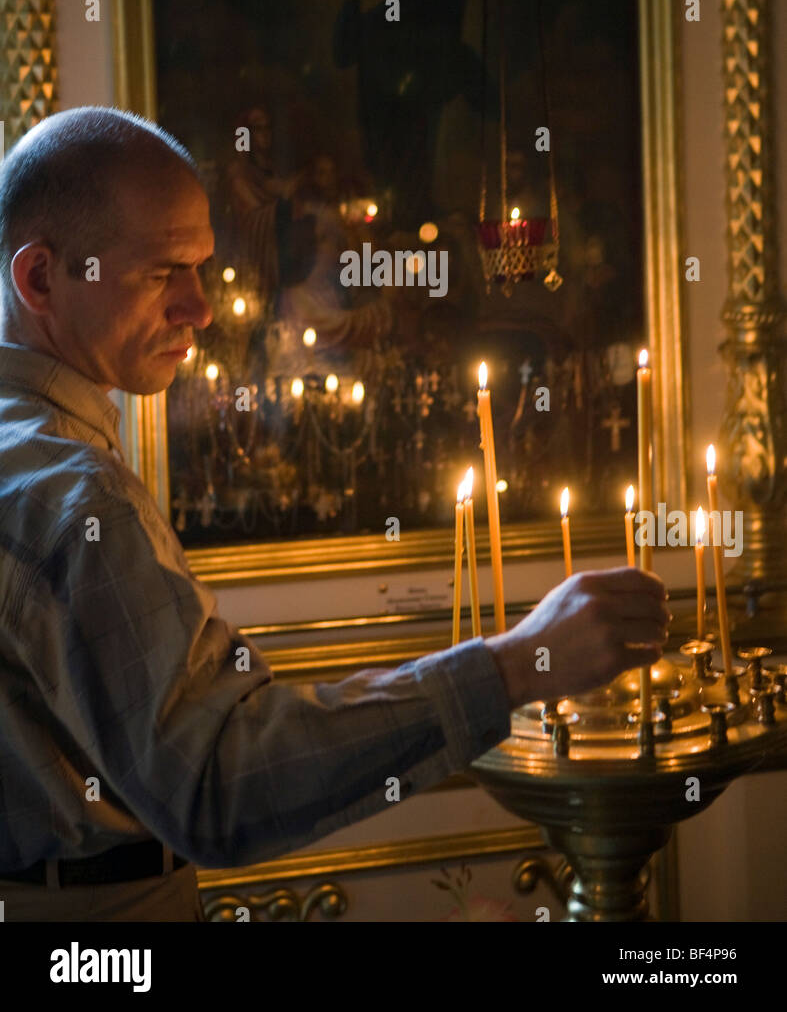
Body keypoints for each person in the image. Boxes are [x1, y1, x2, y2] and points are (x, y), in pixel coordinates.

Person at [0, 107, 669, 922]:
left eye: (204, 269)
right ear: (40, 279)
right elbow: (216, 782)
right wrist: (521, 662)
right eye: (162, 273)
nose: (201, 309)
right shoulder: (74, 496)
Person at [282, 0, 488, 230]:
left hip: (412, 65)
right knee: (380, 138)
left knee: (417, 137)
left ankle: (416, 210)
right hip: (377, 65)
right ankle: (387, 210)